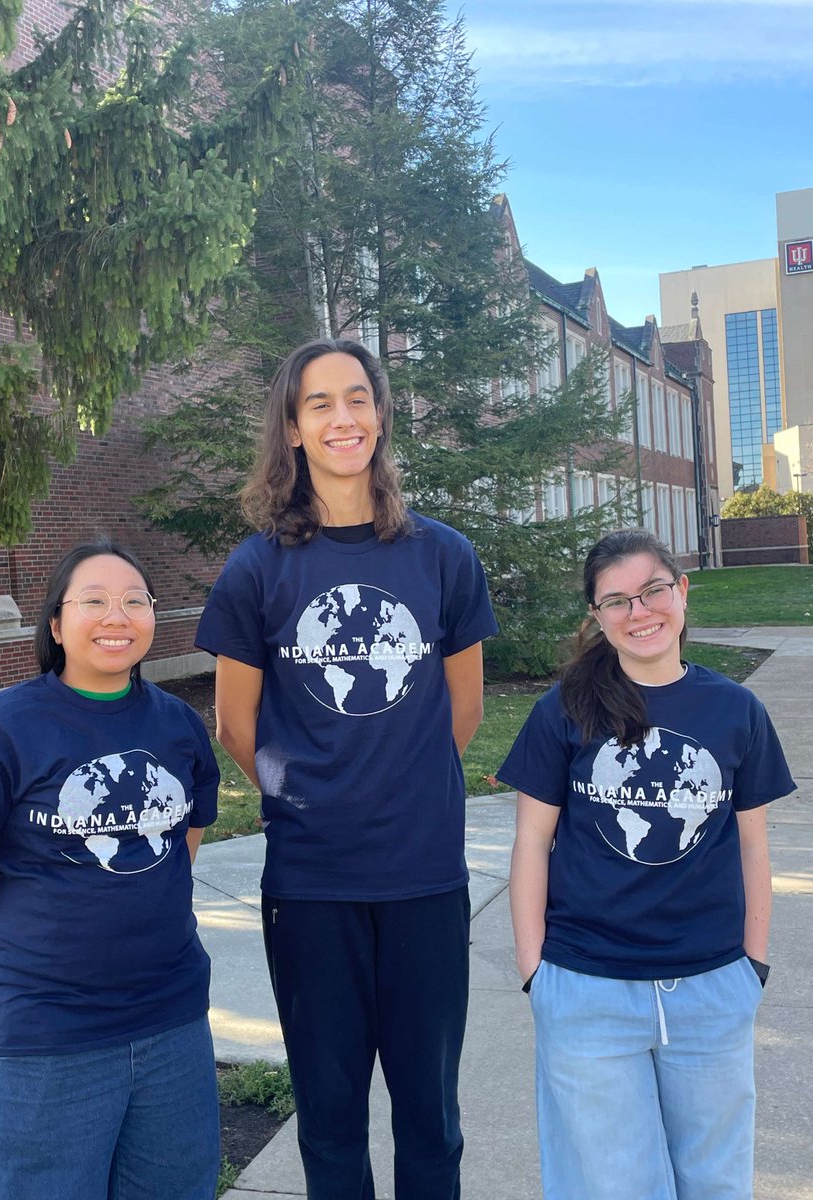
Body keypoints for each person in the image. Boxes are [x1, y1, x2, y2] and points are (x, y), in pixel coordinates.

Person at [195, 338, 498, 1199]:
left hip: (423, 878)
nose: (343, 418)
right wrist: (310, 798)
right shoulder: (258, 568)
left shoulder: (442, 555)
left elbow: (464, 710)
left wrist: (401, 786)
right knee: (329, 1121)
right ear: (292, 428)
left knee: (431, 1118)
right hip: (312, 885)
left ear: (381, 414)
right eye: (320, 403)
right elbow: (235, 724)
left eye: (358, 398)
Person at [0, 540, 221, 1200]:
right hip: (48, 1035)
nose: (117, 616)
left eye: (134, 600)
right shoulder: (4, 730)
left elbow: (182, 840)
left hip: (171, 1021)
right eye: (94, 601)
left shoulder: (177, 726)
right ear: (56, 623)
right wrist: (28, 958)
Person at [496, 527, 795, 1200]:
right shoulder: (563, 711)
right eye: (617, 601)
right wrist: (535, 972)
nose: (640, 612)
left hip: (711, 986)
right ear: (597, 616)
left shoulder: (736, 711)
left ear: (681, 591)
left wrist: (751, 965)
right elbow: (531, 842)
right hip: (588, 987)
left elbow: (753, 845)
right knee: (613, 1187)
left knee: (716, 1184)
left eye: (653, 590)